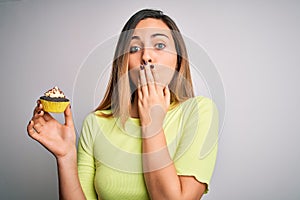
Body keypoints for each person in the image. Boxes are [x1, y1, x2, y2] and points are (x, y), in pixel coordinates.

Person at [27, 9, 219, 200]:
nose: (146, 57)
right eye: (134, 49)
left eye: (159, 45)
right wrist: (66, 157)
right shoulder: (95, 123)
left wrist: (151, 123)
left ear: (178, 59)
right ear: (124, 64)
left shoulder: (199, 111)